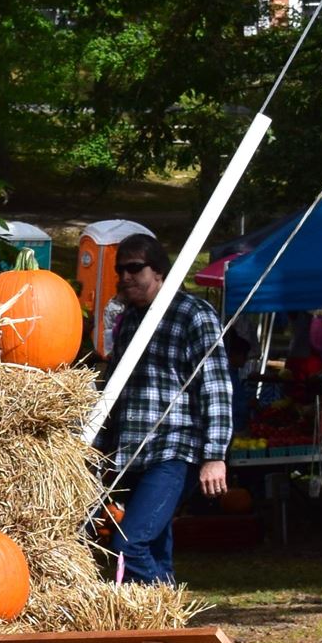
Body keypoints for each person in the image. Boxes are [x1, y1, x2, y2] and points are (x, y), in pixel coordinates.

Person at [98, 232, 232, 583]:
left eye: (134, 269)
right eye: (120, 270)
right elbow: (115, 388)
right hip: (133, 454)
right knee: (154, 545)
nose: (124, 277)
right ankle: (163, 625)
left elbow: (215, 386)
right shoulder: (129, 321)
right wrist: (98, 445)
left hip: (174, 452)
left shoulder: (193, 314)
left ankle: (157, 614)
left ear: (158, 271)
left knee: (130, 543)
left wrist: (215, 455)